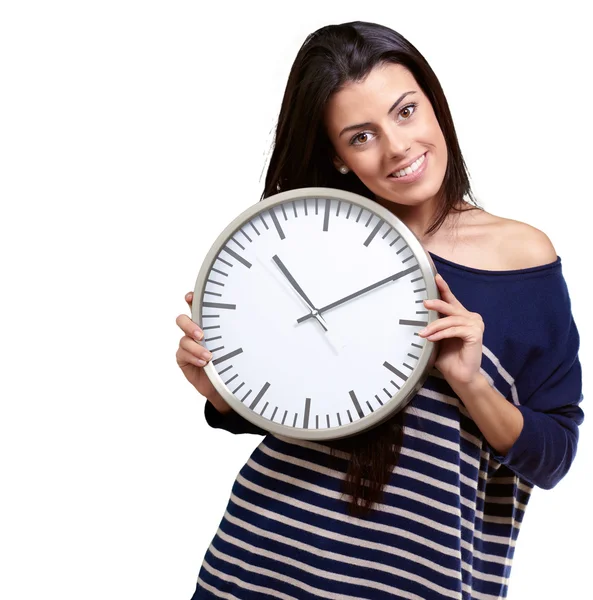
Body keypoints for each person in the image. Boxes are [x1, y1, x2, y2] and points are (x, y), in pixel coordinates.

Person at [175, 21, 584, 599]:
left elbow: (553, 458)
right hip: (257, 569)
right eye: (360, 136)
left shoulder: (523, 258)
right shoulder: (309, 242)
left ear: (434, 107)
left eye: (406, 111)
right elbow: (299, 405)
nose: (397, 147)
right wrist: (223, 392)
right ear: (338, 157)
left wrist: (471, 384)